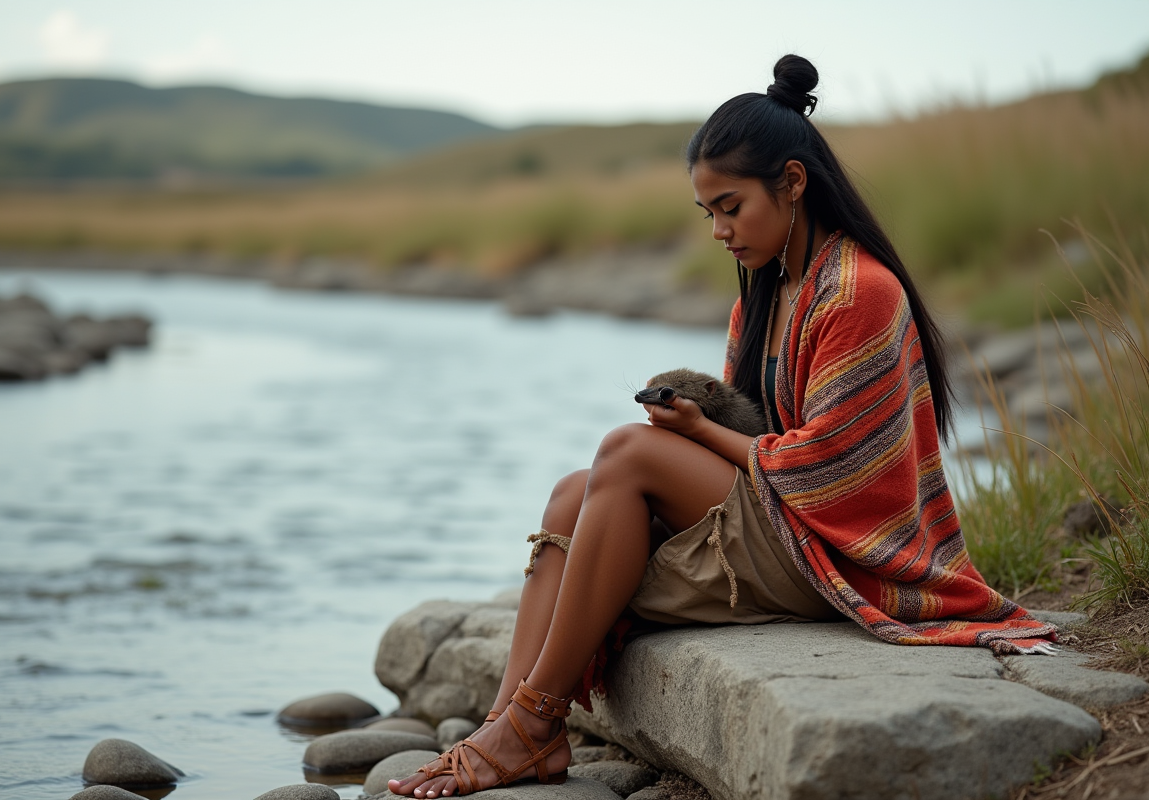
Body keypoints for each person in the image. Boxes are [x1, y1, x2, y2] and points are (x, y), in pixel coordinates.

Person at [390, 54, 1057, 798]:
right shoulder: (765, 297)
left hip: (839, 549)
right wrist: (696, 424)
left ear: (794, 183)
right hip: (784, 517)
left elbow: (832, 471)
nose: (719, 230)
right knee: (572, 494)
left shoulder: (859, 292)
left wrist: (699, 434)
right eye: (707, 212)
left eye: (731, 207)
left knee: (623, 452)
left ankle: (534, 720)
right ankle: (510, 725)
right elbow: (765, 436)